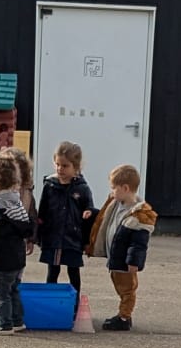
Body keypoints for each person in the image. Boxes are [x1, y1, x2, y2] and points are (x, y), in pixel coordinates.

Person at [89, 163, 157, 332]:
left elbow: (138, 244)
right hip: (116, 257)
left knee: (127, 289)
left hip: (125, 261)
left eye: (114, 188)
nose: (112, 191)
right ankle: (123, 314)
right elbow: (105, 219)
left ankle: (124, 317)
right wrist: (92, 212)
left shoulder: (139, 216)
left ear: (125, 188)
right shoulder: (116, 204)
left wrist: (134, 262)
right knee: (119, 285)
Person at [0, 150, 33, 335]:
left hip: (4, 259)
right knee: (13, 290)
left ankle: (4, 324)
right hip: (17, 256)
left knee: (0, 291)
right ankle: (17, 321)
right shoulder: (15, 201)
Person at [37, 141, 96, 291]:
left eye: (65, 166)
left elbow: (89, 206)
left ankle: (74, 301)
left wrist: (89, 212)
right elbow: (42, 211)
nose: (60, 169)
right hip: (53, 237)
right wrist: (38, 234)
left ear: (75, 167)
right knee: (53, 270)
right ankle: (50, 299)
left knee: (73, 271)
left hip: (73, 237)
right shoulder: (50, 185)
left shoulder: (82, 188)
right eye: (57, 164)